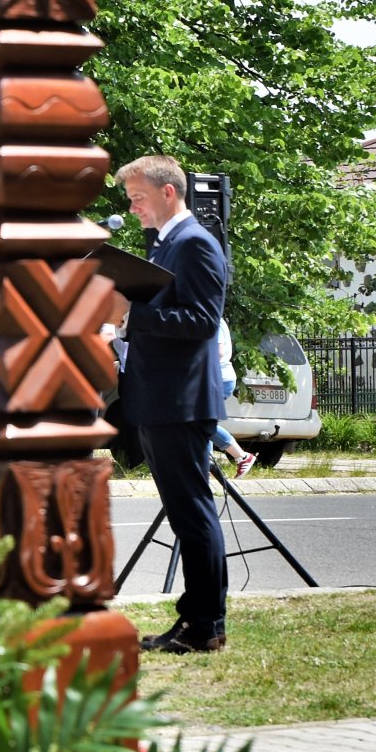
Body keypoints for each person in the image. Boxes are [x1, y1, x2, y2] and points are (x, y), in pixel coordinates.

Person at [114, 154, 230, 654]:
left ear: (168, 192)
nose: (133, 209)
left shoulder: (195, 244)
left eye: (138, 199)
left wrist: (131, 314)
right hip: (161, 398)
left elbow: (203, 322)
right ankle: (196, 620)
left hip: (181, 401)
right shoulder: (165, 246)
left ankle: (205, 625)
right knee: (186, 514)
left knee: (193, 513)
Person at [211, 320, 256, 476]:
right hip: (216, 379)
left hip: (218, 379)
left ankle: (242, 456)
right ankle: (206, 466)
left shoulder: (213, 318)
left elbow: (218, 352)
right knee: (204, 423)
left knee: (201, 423)